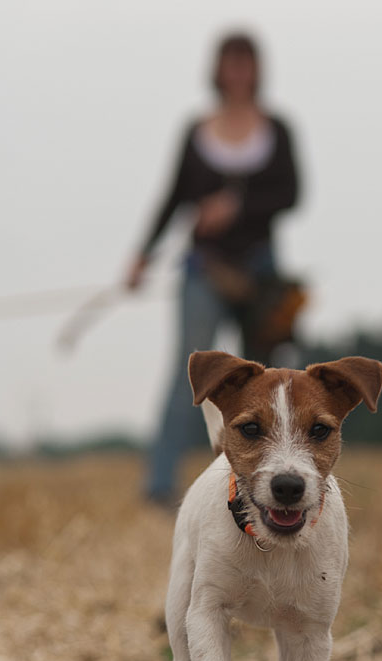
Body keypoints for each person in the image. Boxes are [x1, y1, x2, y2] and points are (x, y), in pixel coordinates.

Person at [126, 32, 300, 504]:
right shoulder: (197, 130)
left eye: (246, 63)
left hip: (260, 271)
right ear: (219, 70)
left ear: (256, 70)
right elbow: (173, 196)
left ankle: (278, 479)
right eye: (231, 63)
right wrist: (142, 254)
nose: (238, 72)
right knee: (192, 371)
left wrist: (237, 207)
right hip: (204, 268)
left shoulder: (277, 129)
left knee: (272, 377)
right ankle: (161, 486)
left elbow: (290, 193)